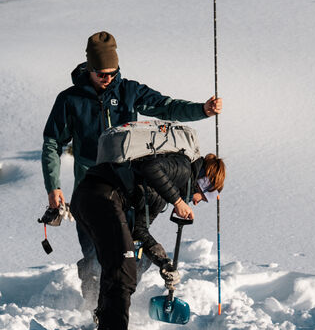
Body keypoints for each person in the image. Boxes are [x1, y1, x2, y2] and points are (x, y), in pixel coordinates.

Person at [41, 31, 222, 304]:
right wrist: (53, 186)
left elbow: (166, 107)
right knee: (95, 256)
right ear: (89, 68)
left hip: (128, 187)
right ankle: (93, 307)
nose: (108, 78)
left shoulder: (128, 91)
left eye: (112, 72)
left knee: (131, 252)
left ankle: (118, 301)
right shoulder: (70, 100)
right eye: (101, 73)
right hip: (90, 187)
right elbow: (52, 143)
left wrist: (202, 110)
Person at [70, 152, 225, 330]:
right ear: (203, 182)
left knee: (117, 265)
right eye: (203, 196)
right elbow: (150, 167)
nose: (196, 201)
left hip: (90, 198)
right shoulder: (183, 168)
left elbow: (139, 231)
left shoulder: (162, 193)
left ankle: (104, 324)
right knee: (124, 270)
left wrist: (164, 262)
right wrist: (177, 201)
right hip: (101, 196)